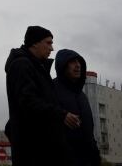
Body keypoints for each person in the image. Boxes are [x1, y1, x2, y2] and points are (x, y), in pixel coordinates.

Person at [5, 26, 79, 166]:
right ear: (34, 43)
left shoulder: (37, 68)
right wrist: (61, 115)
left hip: (42, 151)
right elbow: (27, 102)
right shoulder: (22, 65)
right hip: (35, 154)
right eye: (48, 43)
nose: (52, 48)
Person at [54, 49, 102, 166]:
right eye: (72, 62)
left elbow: (89, 132)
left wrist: (96, 157)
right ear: (62, 65)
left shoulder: (82, 96)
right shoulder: (50, 89)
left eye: (79, 62)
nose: (78, 65)